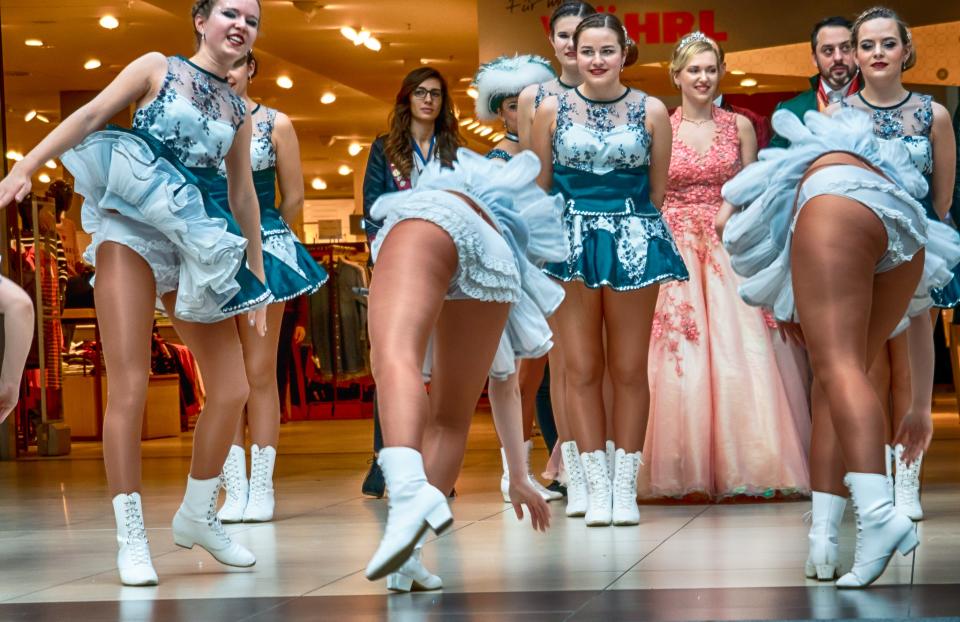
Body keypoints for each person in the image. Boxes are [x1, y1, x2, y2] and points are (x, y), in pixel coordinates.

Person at [0, 0, 268, 586]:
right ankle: (131, 537)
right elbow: (94, 114)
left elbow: (244, 196)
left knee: (232, 386)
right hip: (130, 225)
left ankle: (198, 514)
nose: (241, 25)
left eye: (251, 19)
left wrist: (258, 276)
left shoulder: (239, 108)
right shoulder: (157, 67)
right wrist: (28, 162)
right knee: (129, 384)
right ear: (200, 20)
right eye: (230, 12)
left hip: (194, 238)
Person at [720, 9, 959, 588]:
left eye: (886, 44)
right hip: (864, 242)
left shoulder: (935, 114)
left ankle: (878, 513)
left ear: (907, 51)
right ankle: (825, 538)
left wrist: (923, 406)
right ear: (852, 54)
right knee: (840, 377)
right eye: (864, 45)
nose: (874, 53)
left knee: (842, 370)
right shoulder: (838, 111)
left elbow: (941, 205)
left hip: (901, 240)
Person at [363, 148, 562, 585]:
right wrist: (518, 475)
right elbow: (505, 385)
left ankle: (409, 498)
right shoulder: (506, 237)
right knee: (451, 420)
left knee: (397, 360)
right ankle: (407, 557)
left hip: (431, 224)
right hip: (493, 252)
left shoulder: (429, 200)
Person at [532, 13, 687, 527]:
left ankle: (625, 488)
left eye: (607, 51)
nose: (597, 61)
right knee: (581, 367)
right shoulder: (549, 109)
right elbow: (539, 188)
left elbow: (658, 191)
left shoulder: (653, 110)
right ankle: (594, 486)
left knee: (627, 367)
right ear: (572, 53)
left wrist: (627, 224)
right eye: (587, 51)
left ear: (625, 52)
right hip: (569, 240)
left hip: (633, 236)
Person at [642, 32, 809, 500]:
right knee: (677, 355)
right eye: (693, 69)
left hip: (726, 245)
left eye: (710, 69)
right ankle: (677, 466)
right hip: (675, 246)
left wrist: (730, 212)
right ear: (676, 75)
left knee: (745, 352)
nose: (702, 77)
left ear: (721, 74)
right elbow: (653, 194)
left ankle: (751, 461)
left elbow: (752, 188)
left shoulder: (739, 126)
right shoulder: (659, 126)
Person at [215, 52, 328, 524]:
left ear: (252, 69)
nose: (228, 74)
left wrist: (274, 237)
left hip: (265, 245)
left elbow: (294, 194)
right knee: (221, 379)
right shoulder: (199, 122)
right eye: (221, 68)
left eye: (238, 66)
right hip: (211, 248)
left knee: (260, 373)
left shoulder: (276, 123)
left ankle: (261, 485)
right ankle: (232, 487)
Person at [360, 66, 463, 498]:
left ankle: (432, 464)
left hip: (442, 266)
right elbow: (371, 208)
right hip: (396, 260)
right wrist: (382, 257)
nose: (428, 100)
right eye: (420, 93)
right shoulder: (385, 149)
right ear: (407, 99)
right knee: (394, 361)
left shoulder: (454, 151)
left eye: (436, 94)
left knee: (439, 368)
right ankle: (385, 460)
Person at [515, 0, 596, 516]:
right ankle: (574, 471)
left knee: (603, 362)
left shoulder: (616, 95)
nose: (571, 45)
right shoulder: (535, 97)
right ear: (552, 39)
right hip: (557, 236)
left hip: (610, 234)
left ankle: (604, 465)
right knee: (566, 364)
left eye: (580, 36)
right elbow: (532, 177)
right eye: (564, 36)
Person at [474, 53, 564, 503]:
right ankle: (516, 472)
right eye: (509, 105)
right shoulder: (498, 158)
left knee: (561, 371)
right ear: (499, 110)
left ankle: (564, 465)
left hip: (562, 263)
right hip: (525, 270)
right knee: (525, 374)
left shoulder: (548, 146)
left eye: (524, 104)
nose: (518, 112)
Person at [768, 16, 862, 149]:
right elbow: (772, 165)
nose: (838, 57)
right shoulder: (790, 110)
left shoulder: (882, 102)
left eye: (845, 48)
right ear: (814, 59)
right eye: (828, 50)